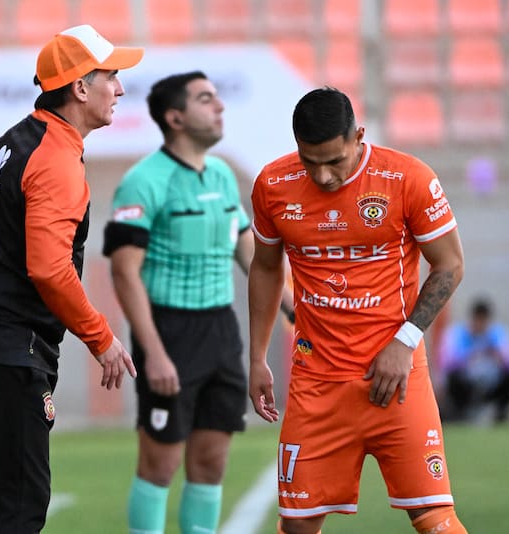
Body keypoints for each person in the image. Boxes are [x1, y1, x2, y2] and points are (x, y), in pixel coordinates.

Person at [0, 25, 140, 533]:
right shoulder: (56, 160)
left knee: (3, 506)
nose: (119, 89)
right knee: (17, 510)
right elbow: (49, 268)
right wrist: (102, 338)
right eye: (111, 76)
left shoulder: (12, 142)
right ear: (80, 87)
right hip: (4, 350)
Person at [248, 88, 468, 534]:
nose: (323, 176)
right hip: (316, 383)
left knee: (434, 518)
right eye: (310, 161)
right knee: (297, 525)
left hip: (396, 378)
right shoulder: (273, 185)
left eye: (335, 160)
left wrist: (405, 342)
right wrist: (256, 358)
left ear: (359, 137)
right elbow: (266, 268)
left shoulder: (407, 179)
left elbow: (449, 265)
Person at [102, 71, 293, 534]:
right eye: (206, 99)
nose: (219, 107)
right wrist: (154, 353)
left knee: (211, 462)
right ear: (175, 118)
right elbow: (124, 272)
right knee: (160, 464)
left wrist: (294, 308)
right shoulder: (143, 181)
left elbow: (250, 255)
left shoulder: (223, 175)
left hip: (222, 331)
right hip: (169, 332)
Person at [441, 297, 509, 423]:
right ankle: (459, 414)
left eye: (483, 320)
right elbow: (447, 363)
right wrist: (469, 357)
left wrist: (498, 355)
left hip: (492, 380)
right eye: (478, 319)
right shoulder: (459, 333)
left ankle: (501, 414)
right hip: (467, 382)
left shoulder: (497, 333)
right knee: (453, 378)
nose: (480, 324)